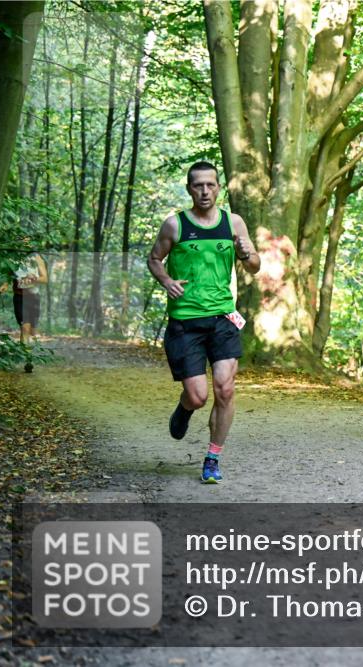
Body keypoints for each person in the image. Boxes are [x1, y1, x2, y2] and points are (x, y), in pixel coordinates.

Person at [147, 161, 260, 483]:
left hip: (223, 317)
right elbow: (154, 259)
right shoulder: (175, 225)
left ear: (218, 187)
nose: (205, 191)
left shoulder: (233, 223)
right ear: (189, 189)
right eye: (198, 185)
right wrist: (166, 280)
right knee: (198, 396)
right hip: (185, 321)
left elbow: (254, 266)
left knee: (225, 389)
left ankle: (212, 457)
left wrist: (247, 253)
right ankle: (185, 409)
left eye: (210, 185)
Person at [0, 246, 48, 371]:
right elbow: (10, 275)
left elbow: (45, 279)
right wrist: (5, 285)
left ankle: (28, 352)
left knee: (32, 331)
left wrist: (33, 278)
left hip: (33, 298)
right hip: (20, 297)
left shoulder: (36, 257)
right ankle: (28, 359)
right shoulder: (14, 258)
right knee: (25, 328)